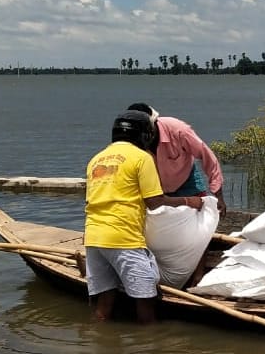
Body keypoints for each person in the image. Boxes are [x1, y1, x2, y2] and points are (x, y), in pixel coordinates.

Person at [84, 111, 204, 324]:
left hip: (93, 238)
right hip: (124, 238)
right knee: (146, 301)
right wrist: (188, 202)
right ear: (144, 136)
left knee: (103, 304)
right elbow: (155, 201)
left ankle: (98, 347)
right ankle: (147, 349)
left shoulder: (96, 159)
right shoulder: (142, 158)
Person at [126, 103, 227, 216]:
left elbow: (207, 156)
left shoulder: (179, 131)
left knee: (200, 216)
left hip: (187, 180)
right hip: (155, 188)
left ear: (154, 123)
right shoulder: (130, 140)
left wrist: (219, 196)